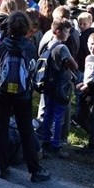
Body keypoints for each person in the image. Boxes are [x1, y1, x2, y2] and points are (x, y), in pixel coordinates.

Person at [0, 11, 50, 183]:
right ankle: (34, 169)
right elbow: (33, 69)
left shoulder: (3, 45)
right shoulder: (30, 47)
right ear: (26, 28)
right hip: (22, 94)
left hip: (2, 93)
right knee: (26, 130)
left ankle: (3, 167)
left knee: (1, 128)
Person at [39, 19, 78, 158]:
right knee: (58, 117)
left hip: (48, 84)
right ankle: (56, 145)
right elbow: (74, 65)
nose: (68, 34)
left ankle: (45, 141)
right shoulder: (62, 48)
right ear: (58, 31)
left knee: (48, 113)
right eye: (66, 31)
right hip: (60, 86)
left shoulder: (48, 44)